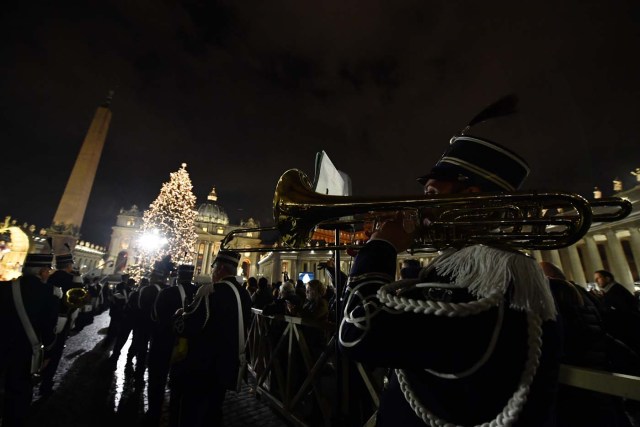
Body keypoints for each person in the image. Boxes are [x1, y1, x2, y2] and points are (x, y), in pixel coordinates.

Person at [338, 103, 563, 426]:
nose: (418, 205)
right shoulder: (496, 272)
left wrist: (379, 249)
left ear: (470, 197)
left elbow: (357, 335)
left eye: (431, 192)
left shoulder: (484, 280)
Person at [172, 250, 251, 427]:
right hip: (228, 363)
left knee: (193, 411)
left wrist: (178, 317)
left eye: (213, 267)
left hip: (204, 365)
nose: (212, 271)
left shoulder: (211, 291)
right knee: (215, 407)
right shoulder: (244, 294)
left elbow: (190, 327)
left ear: (221, 268)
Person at [0, 253, 58, 426]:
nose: (48, 273)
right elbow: (49, 329)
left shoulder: (4, 287)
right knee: (18, 394)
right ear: (42, 271)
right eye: (47, 270)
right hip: (25, 352)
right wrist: (48, 353)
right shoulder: (50, 293)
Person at [147, 263, 197, 426]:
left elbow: (155, 316)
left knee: (157, 379)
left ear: (178, 276)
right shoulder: (198, 293)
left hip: (163, 342)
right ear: (192, 276)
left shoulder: (166, 292)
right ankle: (177, 414)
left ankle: (154, 412)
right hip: (188, 347)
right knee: (181, 384)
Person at [39, 252, 76, 395]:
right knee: (56, 351)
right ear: (68, 265)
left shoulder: (50, 277)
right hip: (62, 319)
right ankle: (46, 382)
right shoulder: (73, 279)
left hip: (44, 318)